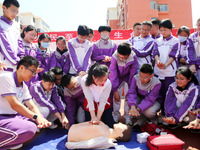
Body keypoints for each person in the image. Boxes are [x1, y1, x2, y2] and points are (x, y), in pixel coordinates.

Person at [0, 56, 51, 150]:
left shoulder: (23, 86)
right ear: (22, 67)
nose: (33, 75)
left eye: (35, 72)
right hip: (2, 117)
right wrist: (35, 117)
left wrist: (39, 117)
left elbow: (31, 105)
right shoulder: (6, 78)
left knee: (39, 118)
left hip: (13, 116)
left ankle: (12, 139)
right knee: (30, 128)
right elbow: (15, 104)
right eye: (32, 71)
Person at [153, 19, 180, 113]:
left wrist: (165, 65)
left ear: (170, 30)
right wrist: (158, 62)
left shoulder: (175, 41)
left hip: (170, 73)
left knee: (169, 94)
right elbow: (155, 53)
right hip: (158, 71)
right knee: (159, 93)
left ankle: (169, 114)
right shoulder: (157, 41)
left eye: (165, 30)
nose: (163, 32)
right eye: (161, 30)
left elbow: (173, 55)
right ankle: (161, 114)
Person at [109, 42, 138, 124]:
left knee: (127, 98)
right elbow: (113, 73)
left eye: (123, 58)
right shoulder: (114, 56)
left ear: (128, 55)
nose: (121, 59)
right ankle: (116, 116)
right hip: (117, 77)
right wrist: (114, 90)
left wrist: (130, 88)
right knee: (116, 98)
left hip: (128, 78)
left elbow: (133, 74)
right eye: (120, 57)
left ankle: (128, 117)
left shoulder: (133, 57)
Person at [81, 63, 115, 128]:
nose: (103, 82)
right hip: (90, 104)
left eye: (105, 79)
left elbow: (103, 101)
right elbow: (89, 98)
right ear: (93, 76)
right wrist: (93, 117)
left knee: (109, 126)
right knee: (90, 127)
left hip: (104, 105)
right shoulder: (84, 80)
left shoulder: (108, 83)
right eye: (101, 80)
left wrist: (98, 119)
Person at [65, 121, 131, 149]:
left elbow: (89, 144)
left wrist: (72, 145)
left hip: (72, 135)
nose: (120, 123)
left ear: (121, 134)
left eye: (122, 125)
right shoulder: (107, 128)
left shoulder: (106, 140)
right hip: (73, 128)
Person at [0, 0, 24, 74]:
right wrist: (17, 61)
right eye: (13, 10)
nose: (15, 14)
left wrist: (22, 59)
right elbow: (4, 45)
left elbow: (20, 44)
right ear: (4, 8)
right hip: (3, 67)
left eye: (17, 12)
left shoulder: (16, 26)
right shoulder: (1, 24)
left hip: (15, 68)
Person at [189, 18, 200, 82]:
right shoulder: (192, 36)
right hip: (194, 67)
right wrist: (192, 64)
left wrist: (197, 64)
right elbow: (190, 50)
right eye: (199, 25)